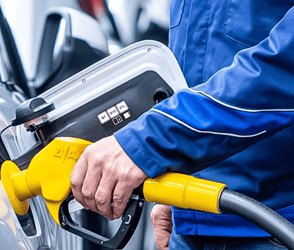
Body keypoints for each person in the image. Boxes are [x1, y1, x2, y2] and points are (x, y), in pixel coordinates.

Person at [70, 0, 294, 249]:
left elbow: (284, 68)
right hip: (194, 220)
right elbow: (204, 54)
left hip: (274, 226)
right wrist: (173, 182)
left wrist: (151, 143)